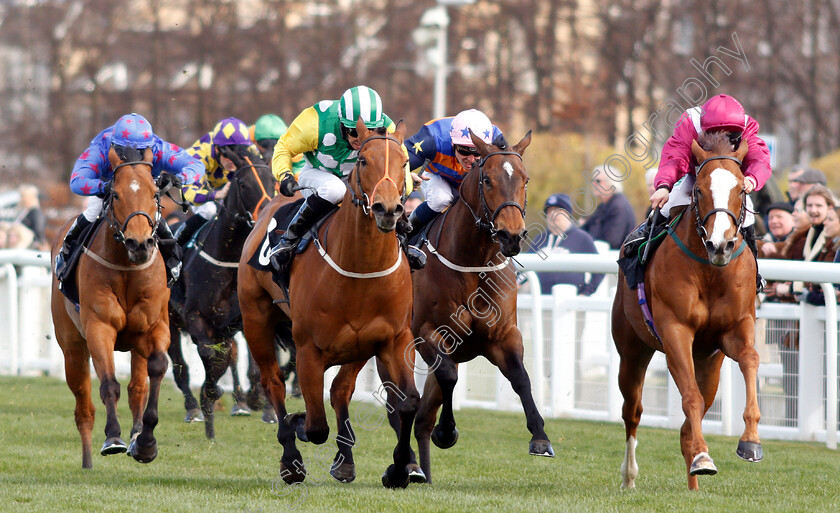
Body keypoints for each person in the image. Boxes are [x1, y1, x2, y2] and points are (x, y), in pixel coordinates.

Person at [268, 86, 414, 270]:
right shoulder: (315, 122)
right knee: (335, 189)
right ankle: (288, 240)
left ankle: (405, 242)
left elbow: (402, 159)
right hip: (317, 173)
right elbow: (283, 147)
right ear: (341, 123)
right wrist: (284, 175)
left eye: (371, 130)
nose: (361, 138)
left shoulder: (388, 128)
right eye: (354, 131)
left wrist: (405, 184)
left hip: (355, 177)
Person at [55, 113, 205, 282]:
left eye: (140, 153)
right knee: (93, 210)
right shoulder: (101, 148)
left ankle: (173, 265)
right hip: (110, 188)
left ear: (149, 147)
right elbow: (76, 182)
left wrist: (178, 178)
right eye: (126, 153)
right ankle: (67, 254)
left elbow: (196, 165)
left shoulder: (158, 147)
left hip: (143, 193)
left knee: (155, 217)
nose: (134, 159)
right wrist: (104, 187)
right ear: (114, 146)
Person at [647, 94, 772, 293]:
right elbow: (675, 156)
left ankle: (754, 274)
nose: (724, 139)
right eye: (717, 133)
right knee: (667, 206)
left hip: (730, 180)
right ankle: (641, 253)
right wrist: (664, 185)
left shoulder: (747, 125)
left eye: (731, 136)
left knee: (747, 215)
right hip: (697, 176)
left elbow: (760, 158)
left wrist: (752, 178)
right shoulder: (690, 122)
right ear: (705, 128)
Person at [404, 108, 504, 236]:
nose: (471, 160)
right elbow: (394, 163)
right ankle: (407, 233)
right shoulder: (432, 139)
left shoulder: (498, 142)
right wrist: (405, 175)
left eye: (478, 153)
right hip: (437, 174)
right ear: (453, 143)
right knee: (440, 199)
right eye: (464, 152)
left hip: (473, 180)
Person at [177, 117, 265, 245]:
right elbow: (187, 194)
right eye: (227, 155)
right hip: (201, 188)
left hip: (228, 185)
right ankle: (176, 244)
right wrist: (216, 195)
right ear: (217, 149)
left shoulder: (251, 151)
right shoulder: (198, 157)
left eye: (238, 153)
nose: (232, 160)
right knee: (210, 211)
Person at [528, 193, 604, 296]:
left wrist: (586, 293)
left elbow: (600, 269)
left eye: (558, 211)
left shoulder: (582, 238)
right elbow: (525, 267)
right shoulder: (539, 239)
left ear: (568, 214)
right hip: (539, 301)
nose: (553, 214)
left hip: (570, 303)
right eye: (549, 211)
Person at [580, 167, 636, 250]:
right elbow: (584, 229)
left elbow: (611, 241)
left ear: (611, 183)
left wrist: (590, 228)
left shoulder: (618, 206)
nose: (593, 184)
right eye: (592, 181)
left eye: (598, 181)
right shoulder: (604, 205)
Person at [14, 184, 47, 250]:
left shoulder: (36, 213)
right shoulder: (25, 211)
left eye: (23, 196)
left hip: (29, 247)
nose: (21, 199)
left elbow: (38, 231)